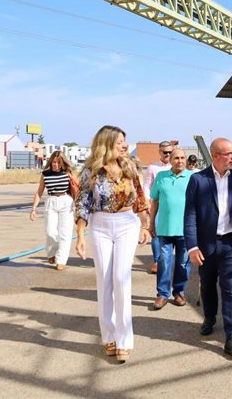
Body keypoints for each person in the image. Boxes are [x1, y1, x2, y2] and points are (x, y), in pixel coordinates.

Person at [74, 125, 151, 363]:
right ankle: (109, 336)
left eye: (124, 142)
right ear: (107, 143)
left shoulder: (130, 165)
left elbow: (140, 196)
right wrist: (79, 235)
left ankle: (125, 339)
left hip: (127, 223)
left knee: (121, 278)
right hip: (100, 224)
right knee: (104, 280)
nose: (124, 146)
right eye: (120, 142)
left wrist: (145, 225)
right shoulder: (91, 170)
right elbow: (83, 202)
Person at [184, 138, 232, 358]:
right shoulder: (198, 180)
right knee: (207, 285)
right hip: (206, 245)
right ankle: (209, 317)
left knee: (231, 288)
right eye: (229, 154)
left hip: (231, 243)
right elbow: (190, 216)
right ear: (215, 156)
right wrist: (192, 246)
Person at [149, 149, 192, 310]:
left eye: (182, 158)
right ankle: (162, 294)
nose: (179, 161)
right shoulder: (161, 177)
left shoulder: (193, 178)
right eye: (176, 158)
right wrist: (151, 223)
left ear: (185, 160)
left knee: (183, 263)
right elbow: (154, 202)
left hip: (185, 230)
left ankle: (179, 292)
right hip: (164, 230)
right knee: (164, 263)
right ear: (170, 160)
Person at [30, 150, 78, 270]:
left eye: (58, 162)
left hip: (66, 201)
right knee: (50, 231)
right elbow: (39, 191)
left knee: (65, 233)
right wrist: (34, 209)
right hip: (51, 201)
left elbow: (77, 188)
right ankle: (52, 253)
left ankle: (61, 260)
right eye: (53, 162)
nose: (55, 164)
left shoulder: (68, 173)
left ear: (62, 163)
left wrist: (78, 206)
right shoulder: (45, 174)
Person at [143, 141, 173, 274]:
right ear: (159, 152)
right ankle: (156, 261)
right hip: (157, 205)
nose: (167, 154)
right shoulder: (153, 167)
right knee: (155, 234)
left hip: (173, 207)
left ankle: (168, 260)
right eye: (164, 152)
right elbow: (146, 186)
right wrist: (148, 204)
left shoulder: (177, 165)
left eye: (169, 152)